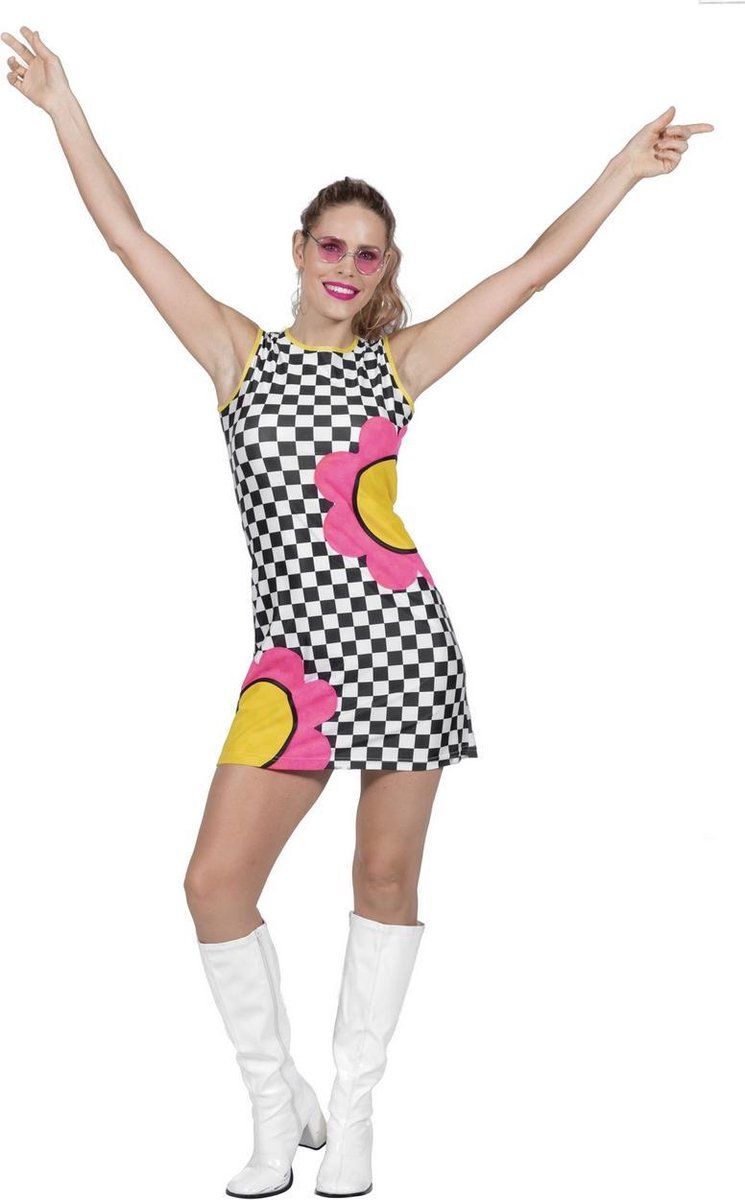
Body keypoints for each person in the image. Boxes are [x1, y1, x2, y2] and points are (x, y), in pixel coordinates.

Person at [3, 24, 714, 1199]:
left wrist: (621, 172)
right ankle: (274, 1101)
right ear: (298, 249)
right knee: (213, 885)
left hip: (402, 649)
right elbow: (129, 236)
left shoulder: (398, 368)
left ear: (387, 271)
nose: (344, 265)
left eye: (366, 254)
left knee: (383, 882)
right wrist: (63, 107)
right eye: (329, 244)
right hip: (292, 666)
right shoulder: (236, 354)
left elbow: (529, 272)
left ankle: (360, 1112)